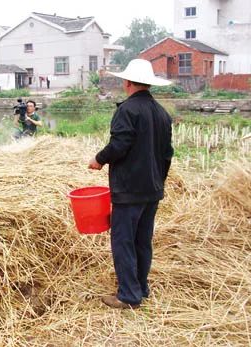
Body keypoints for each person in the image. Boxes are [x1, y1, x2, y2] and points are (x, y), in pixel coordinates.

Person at [88, 59, 174, 309]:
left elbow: (120, 144)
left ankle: (128, 295)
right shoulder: (161, 113)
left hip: (129, 190)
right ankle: (140, 287)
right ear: (148, 83)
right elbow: (167, 154)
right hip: (152, 190)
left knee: (123, 240)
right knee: (142, 240)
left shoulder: (127, 110)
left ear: (127, 82)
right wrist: (159, 181)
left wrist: (99, 159)